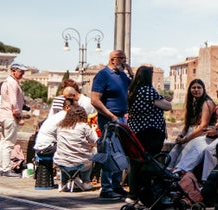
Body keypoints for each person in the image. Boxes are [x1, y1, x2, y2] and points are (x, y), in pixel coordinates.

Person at [90, 50, 132, 198]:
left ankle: (116, 185)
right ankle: (107, 187)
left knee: (120, 152)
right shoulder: (103, 75)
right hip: (109, 119)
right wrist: (111, 116)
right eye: (123, 59)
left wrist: (131, 72)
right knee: (110, 151)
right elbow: (95, 100)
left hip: (121, 118)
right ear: (114, 59)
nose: (125, 62)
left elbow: (134, 88)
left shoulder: (123, 76)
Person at [126, 66, 171, 198]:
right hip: (151, 132)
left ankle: (134, 193)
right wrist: (164, 101)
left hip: (136, 132)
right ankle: (149, 194)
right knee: (150, 162)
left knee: (136, 163)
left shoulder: (132, 91)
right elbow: (167, 106)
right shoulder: (147, 90)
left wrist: (161, 98)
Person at [167, 79, 216, 174]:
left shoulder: (207, 103)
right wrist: (181, 135)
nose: (196, 90)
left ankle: (178, 175)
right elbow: (187, 125)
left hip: (201, 135)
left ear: (203, 89)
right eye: (194, 88)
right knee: (174, 153)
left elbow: (203, 125)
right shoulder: (192, 103)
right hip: (191, 133)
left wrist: (186, 139)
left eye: (199, 87)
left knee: (185, 156)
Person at [0, 62, 31, 176]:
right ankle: (6, 169)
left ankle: (2, 168)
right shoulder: (12, 83)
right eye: (21, 71)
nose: (22, 74)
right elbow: (14, 102)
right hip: (10, 117)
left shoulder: (6, 82)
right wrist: (18, 116)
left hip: (4, 115)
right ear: (13, 71)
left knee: (3, 142)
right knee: (9, 144)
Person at [52, 104, 98, 187]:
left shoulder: (61, 126)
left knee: (66, 156)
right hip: (80, 162)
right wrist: (93, 131)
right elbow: (95, 142)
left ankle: (64, 182)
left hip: (61, 162)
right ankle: (86, 182)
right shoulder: (84, 126)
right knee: (91, 156)